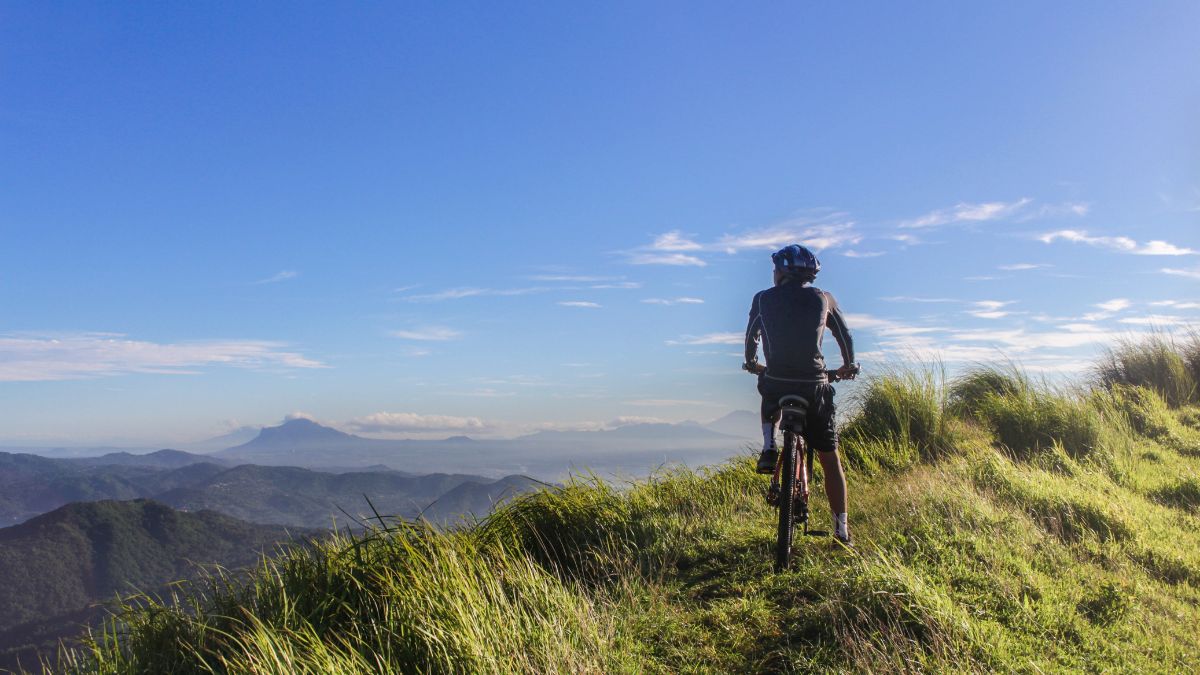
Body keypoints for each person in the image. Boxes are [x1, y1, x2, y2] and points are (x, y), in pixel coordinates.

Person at [743, 244, 858, 544]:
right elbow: (844, 336)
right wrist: (848, 365)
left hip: (777, 382)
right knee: (830, 459)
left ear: (781, 272)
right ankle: (842, 532)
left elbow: (751, 336)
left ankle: (769, 445)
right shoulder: (824, 298)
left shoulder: (763, 299)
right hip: (815, 385)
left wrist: (752, 363)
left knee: (766, 385)